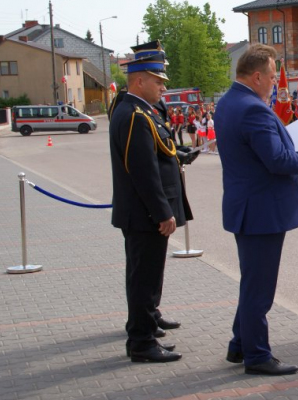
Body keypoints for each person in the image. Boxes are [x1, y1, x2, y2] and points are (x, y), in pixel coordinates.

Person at [215, 43, 298, 376]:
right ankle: (257, 356)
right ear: (256, 76)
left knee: (252, 282)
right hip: (261, 211)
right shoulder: (253, 108)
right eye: (270, 76)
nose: (274, 83)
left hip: (247, 207)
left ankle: (240, 345)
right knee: (259, 288)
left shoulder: (228, 102)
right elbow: (277, 160)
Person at [108, 40, 190, 363]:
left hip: (143, 215)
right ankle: (141, 343)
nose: (162, 87)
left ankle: (144, 327)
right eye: (158, 81)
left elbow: (158, 155)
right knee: (143, 279)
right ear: (139, 80)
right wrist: (162, 212)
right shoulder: (133, 115)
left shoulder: (139, 111)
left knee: (146, 277)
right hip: (144, 216)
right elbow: (143, 172)